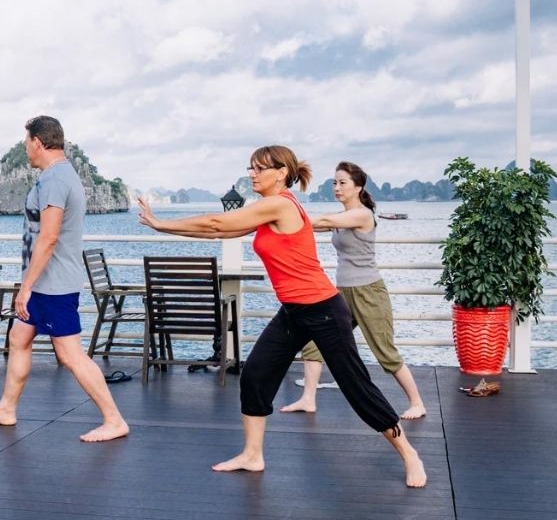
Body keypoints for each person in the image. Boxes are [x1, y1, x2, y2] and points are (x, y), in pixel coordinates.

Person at [137, 146, 425, 487]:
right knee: (256, 375)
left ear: (281, 173)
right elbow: (220, 231)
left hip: (323, 309)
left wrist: (160, 222)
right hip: (293, 310)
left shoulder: (281, 204)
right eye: (251, 168)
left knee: (356, 385)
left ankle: (409, 454)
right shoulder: (267, 211)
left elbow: (216, 221)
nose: (252, 174)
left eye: (260, 169)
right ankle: (252, 454)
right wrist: (166, 229)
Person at [0, 116, 129, 443]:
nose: (25, 149)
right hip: (45, 283)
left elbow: (50, 236)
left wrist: (25, 287)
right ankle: (6, 408)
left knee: (70, 354)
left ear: (38, 142)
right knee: (19, 338)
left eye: (27, 142)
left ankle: (114, 420)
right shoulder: (57, 176)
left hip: (53, 284)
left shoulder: (55, 180)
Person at [280, 161, 427, 419]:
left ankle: (417, 403)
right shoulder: (341, 218)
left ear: (358, 187)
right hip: (341, 292)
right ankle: (308, 398)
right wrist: (274, 223)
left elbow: (322, 220)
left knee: (384, 350)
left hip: (368, 292)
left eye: (342, 183)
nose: (336, 187)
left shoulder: (362, 214)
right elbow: (312, 226)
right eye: (334, 183)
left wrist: (284, 214)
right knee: (315, 341)